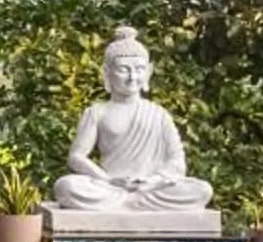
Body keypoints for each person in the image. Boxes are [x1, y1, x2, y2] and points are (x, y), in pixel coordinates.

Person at [48, 28, 213, 211]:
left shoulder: (158, 114)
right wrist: (108, 180)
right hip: (109, 187)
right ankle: (131, 204)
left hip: (149, 189)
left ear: (148, 72)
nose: (132, 77)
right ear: (107, 73)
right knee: (66, 186)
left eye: (139, 69)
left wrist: (152, 181)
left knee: (202, 190)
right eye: (124, 69)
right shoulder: (97, 112)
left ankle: (130, 203)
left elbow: (177, 162)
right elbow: (76, 156)